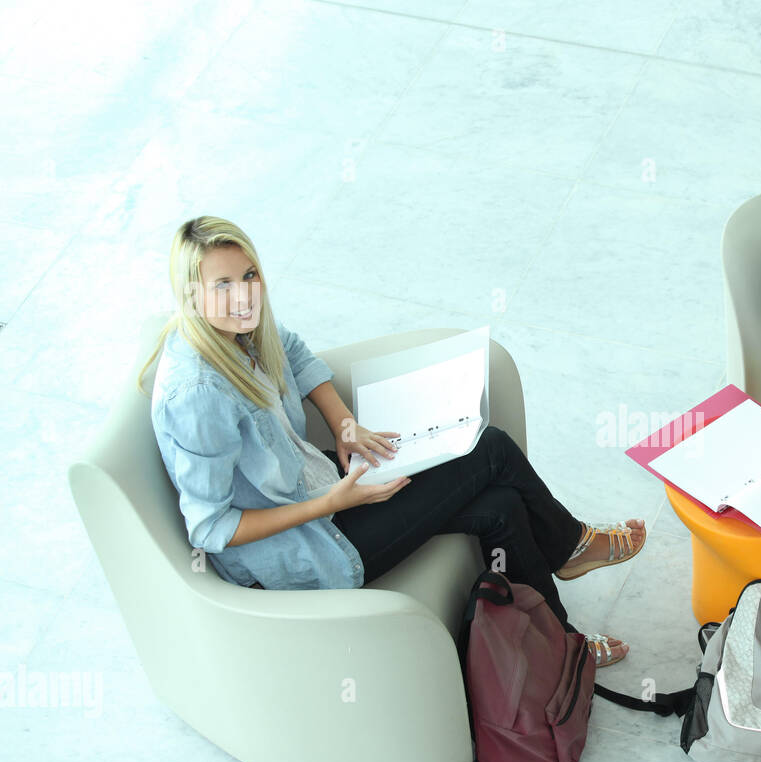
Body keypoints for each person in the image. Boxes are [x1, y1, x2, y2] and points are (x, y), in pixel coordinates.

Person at [139, 216, 644, 666]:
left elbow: (289, 350)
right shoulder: (197, 394)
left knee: (504, 505)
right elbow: (210, 529)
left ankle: (559, 645)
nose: (244, 296)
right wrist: (330, 503)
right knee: (490, 449)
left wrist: (343, 424)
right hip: (303, 551)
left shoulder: (238, 328)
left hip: (323, 492)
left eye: (249, 275)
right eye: (223, 284)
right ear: (191, 294)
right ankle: (571, 545)